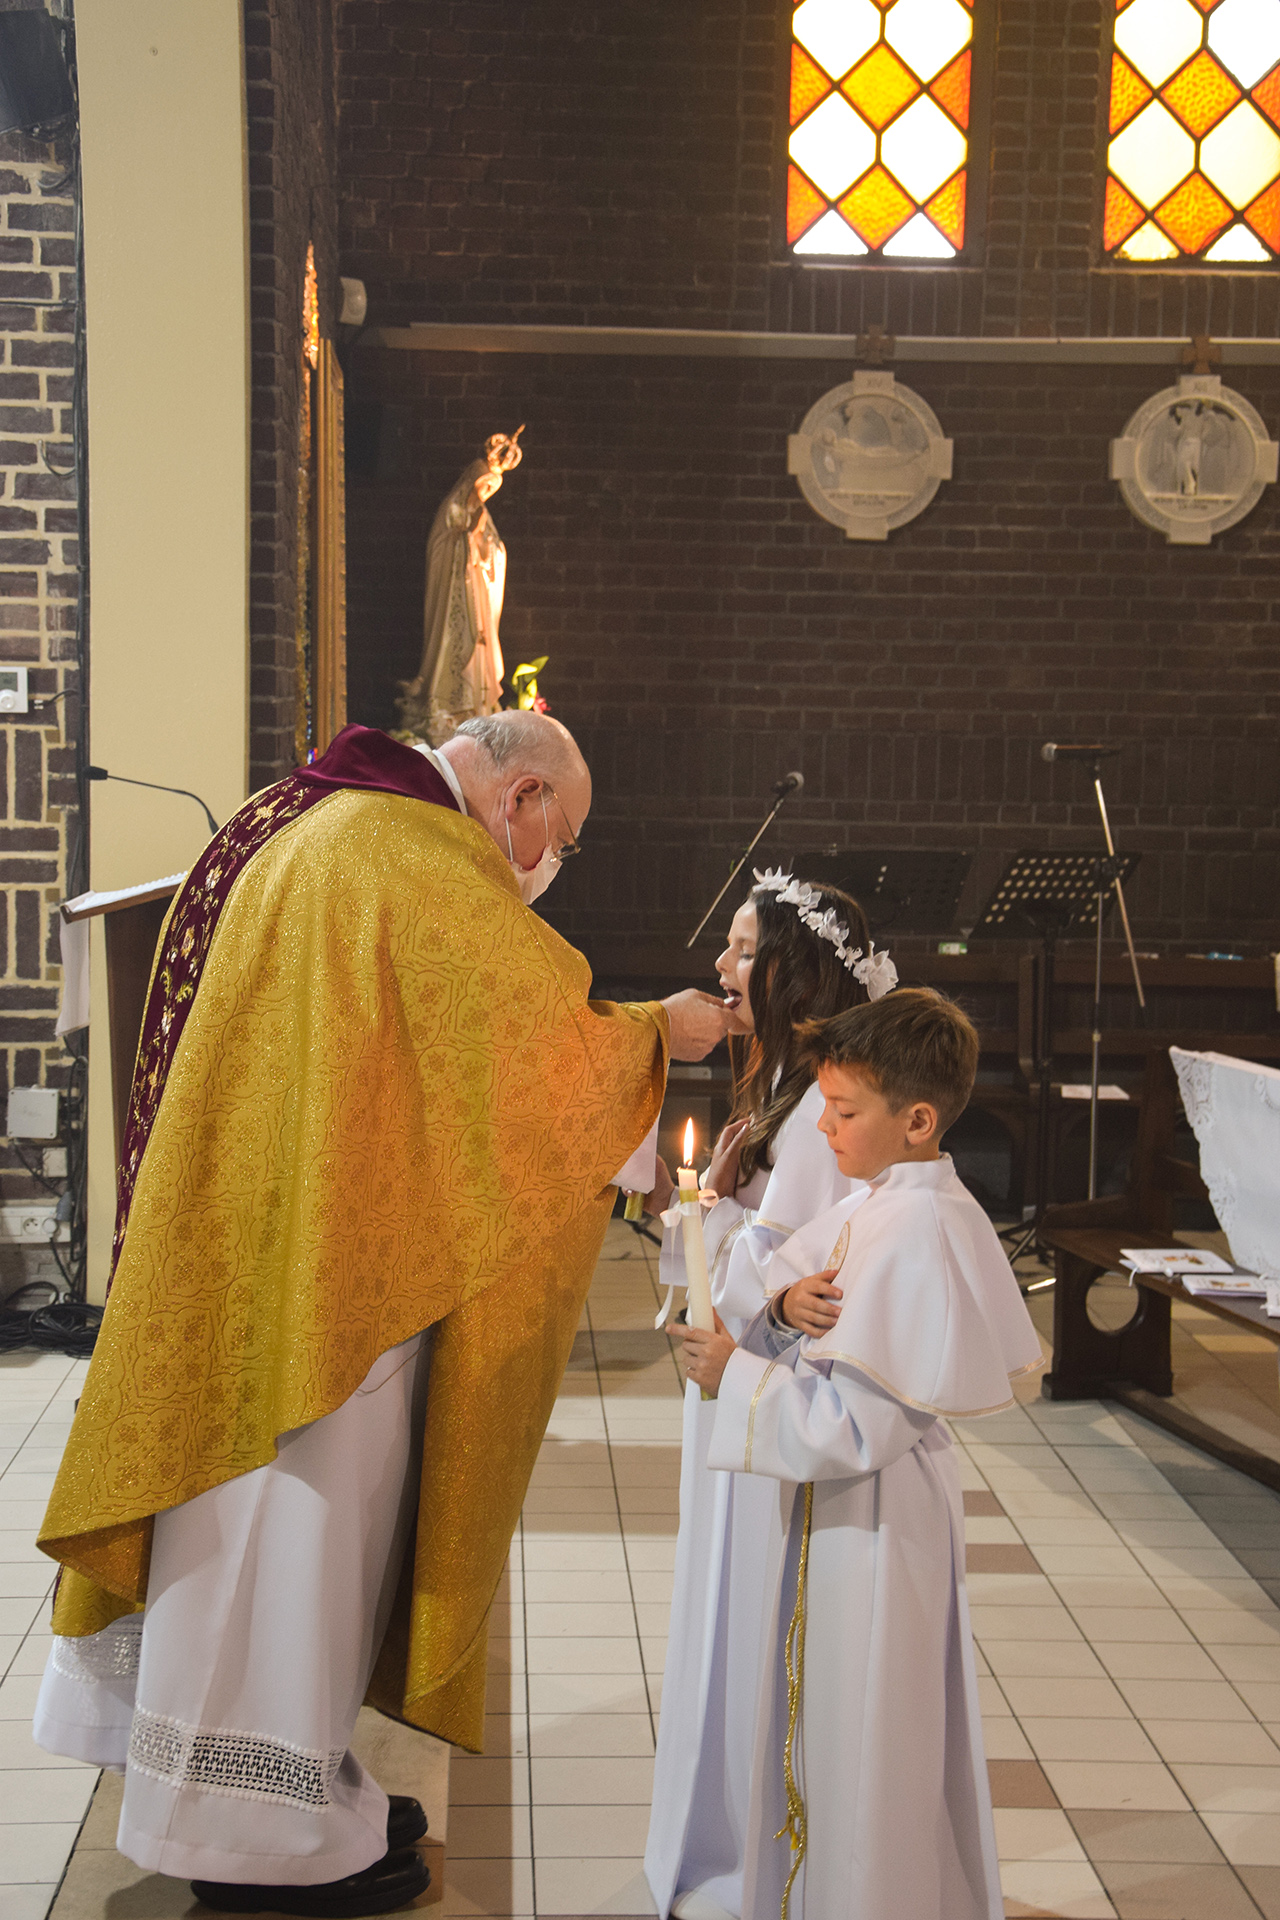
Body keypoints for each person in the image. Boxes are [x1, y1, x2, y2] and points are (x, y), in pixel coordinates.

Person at [34, 711, 729, 1917]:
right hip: (322, 1290)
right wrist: (654, 1035)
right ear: (518, 798)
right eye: (558, 838)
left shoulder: (312, 817)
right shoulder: (409, 855)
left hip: (263, 1246)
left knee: (263, 1540)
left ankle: (295, 1789)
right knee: (285, 1539)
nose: (545, 866)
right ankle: (254, 1837)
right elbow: (527, 1048)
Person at [679, 989, 1042, 1920]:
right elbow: (787, 1285)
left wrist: (734, 1375)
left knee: (867, 1733)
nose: (823, 1128)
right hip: (850, 1510)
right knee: (833, 1727)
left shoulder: (920, 1229)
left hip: (879, 1524)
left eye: (843, 1112)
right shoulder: (885, 1201)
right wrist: (777, 1306)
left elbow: (859, 1427)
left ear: (916, 1121)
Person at [645, 870, 895, 1920]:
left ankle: (753, 1855)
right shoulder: (782, 1096)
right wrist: (699, 1213)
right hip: (738, 1382)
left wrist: (710, 1225)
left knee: (752, 1620)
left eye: (744, 949)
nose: (721, 965)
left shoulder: (820, 1117)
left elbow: (804, 1268)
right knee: (716, 1609)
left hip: (777, 1399)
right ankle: (718, 1842)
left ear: (793, 972)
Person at [398, 426, 524, 745]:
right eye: (485, 487)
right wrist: (473, 542)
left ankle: (472, 706)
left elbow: (490, 549)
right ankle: (446, 706)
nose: (486, 494)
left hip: (474, 593)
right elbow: (457, 540)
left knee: (476, 644)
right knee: (457, 642)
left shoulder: (476, 514)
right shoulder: (457, 514)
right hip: (459, 594)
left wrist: (487, 550)